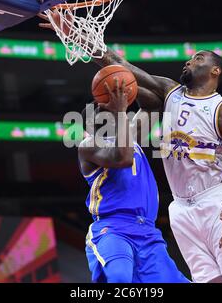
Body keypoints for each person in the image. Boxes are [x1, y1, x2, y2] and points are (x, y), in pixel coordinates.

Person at [39, 13, 222, 283]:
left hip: (214, 201)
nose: (190, 61)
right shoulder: (166, 94)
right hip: (177, 210)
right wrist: (77, 36)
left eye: (199, 58)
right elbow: (119, 66)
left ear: (216, 71)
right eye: (190, 58)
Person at [78, 78, 189, 283]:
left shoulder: (130, 137)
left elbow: (154, 103)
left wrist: (126, 85)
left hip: (148, 232)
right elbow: (123, 159)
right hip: (113, 228)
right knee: (119, 277)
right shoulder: (88, 145)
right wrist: (119, 110)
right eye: (103, 108)